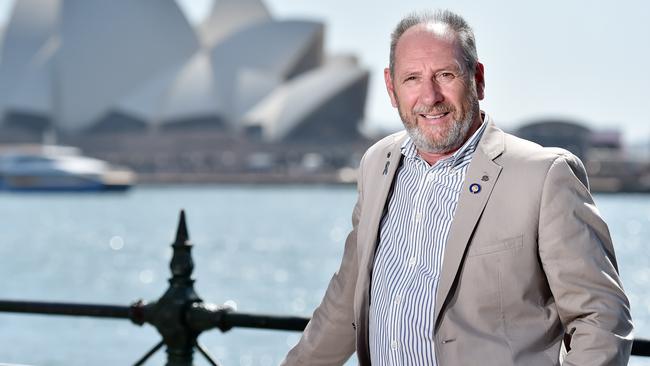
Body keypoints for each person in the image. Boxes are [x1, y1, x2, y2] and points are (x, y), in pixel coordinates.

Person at [282, 9, 633, 366]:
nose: (430, 96)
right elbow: (345, 305)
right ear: (391, 87)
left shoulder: (544, 176)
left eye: (445, 75)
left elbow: (602, 319)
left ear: (477, 79)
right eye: (412, 78)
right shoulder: (377, 165)